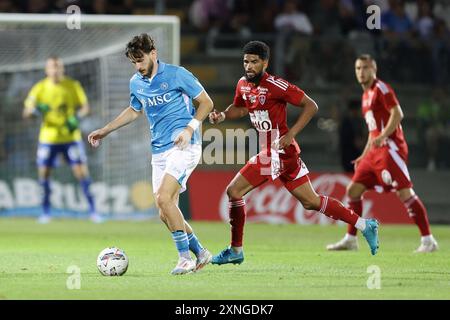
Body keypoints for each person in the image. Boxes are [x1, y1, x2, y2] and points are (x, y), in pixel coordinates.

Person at [208, 41, 379, 266]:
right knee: (311, 201)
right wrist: (222, 116)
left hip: (277, 151)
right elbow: (240, 107)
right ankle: (365, 225)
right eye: (246, 62)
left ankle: (235, 250)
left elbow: (311, 105)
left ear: (265, 63)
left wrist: (291, 134)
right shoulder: (243, 84)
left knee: (234, 191)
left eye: (254, 62)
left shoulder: (276, 85)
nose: (248, 66)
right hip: (282, 154)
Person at [87, 33, 214, 275]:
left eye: (141, 59)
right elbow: (134, 111)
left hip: (185, 144)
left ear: (153, 54)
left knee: (165, 199)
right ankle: (201, 252)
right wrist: (105, 130)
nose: (138, 66)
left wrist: (189, 129)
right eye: (134, 62)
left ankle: (184, 258)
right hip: (159, 150)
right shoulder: (136, 82)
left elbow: (206, 102)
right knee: (163, 210)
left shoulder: (177, 74)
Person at [327, 54, 438, 253]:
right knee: (353, 190)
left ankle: (428, 240)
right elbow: (372, 131)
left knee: (405, 193)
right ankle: (351, 239)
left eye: (366, 68)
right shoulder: (364, 96)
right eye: (358, 68)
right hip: (374, 151)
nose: (361, 72)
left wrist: (384, 136)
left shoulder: (381, 88)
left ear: (374, 69)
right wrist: (364, 154)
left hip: (390, 148)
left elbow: (398, 114)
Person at [23, 56, 100, 224]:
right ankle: (45, 213)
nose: (55, 70)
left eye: (58, 67)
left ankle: (93, 212)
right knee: (44, 174)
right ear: (47, 69)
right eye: (52, 67)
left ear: (62, 69)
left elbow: (86, 107)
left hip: (70, 137)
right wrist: (35, 110)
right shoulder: (40, 88)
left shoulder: (72, 86)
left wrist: (77, 117)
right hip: (48, 139)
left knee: (81, 173)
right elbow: (27, 111)